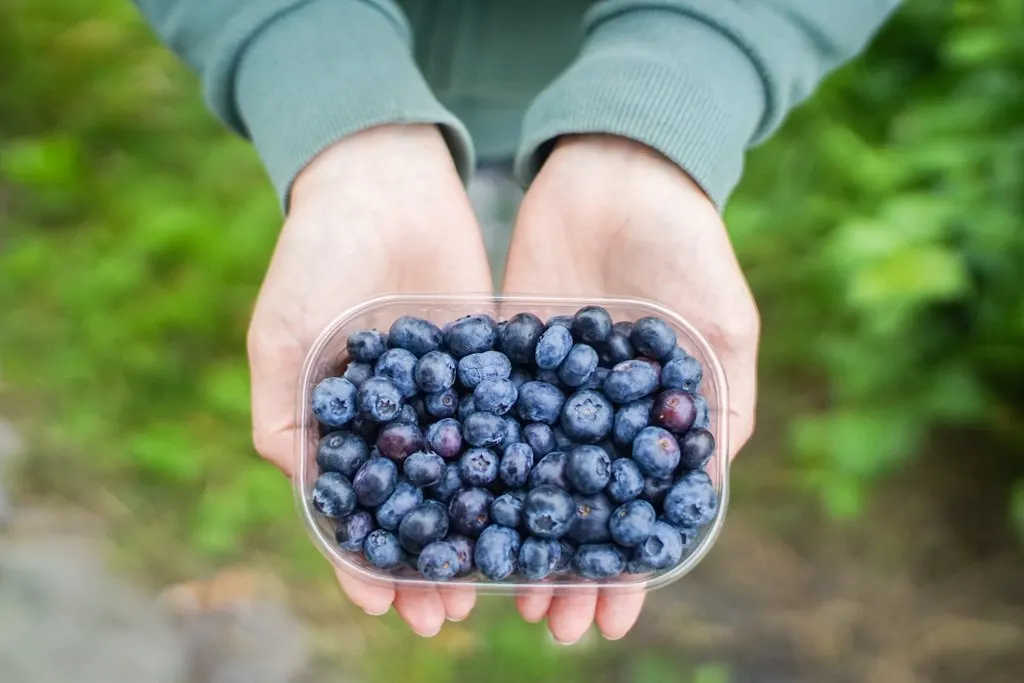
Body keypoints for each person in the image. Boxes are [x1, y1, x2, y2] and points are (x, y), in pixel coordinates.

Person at [133, 0, 902, 644]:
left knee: (504, 299)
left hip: (616, 89)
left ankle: (521, 180)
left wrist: (681, 91)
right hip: (356, 91)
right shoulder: (467, 432)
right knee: (477, 308)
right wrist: (308, 63)